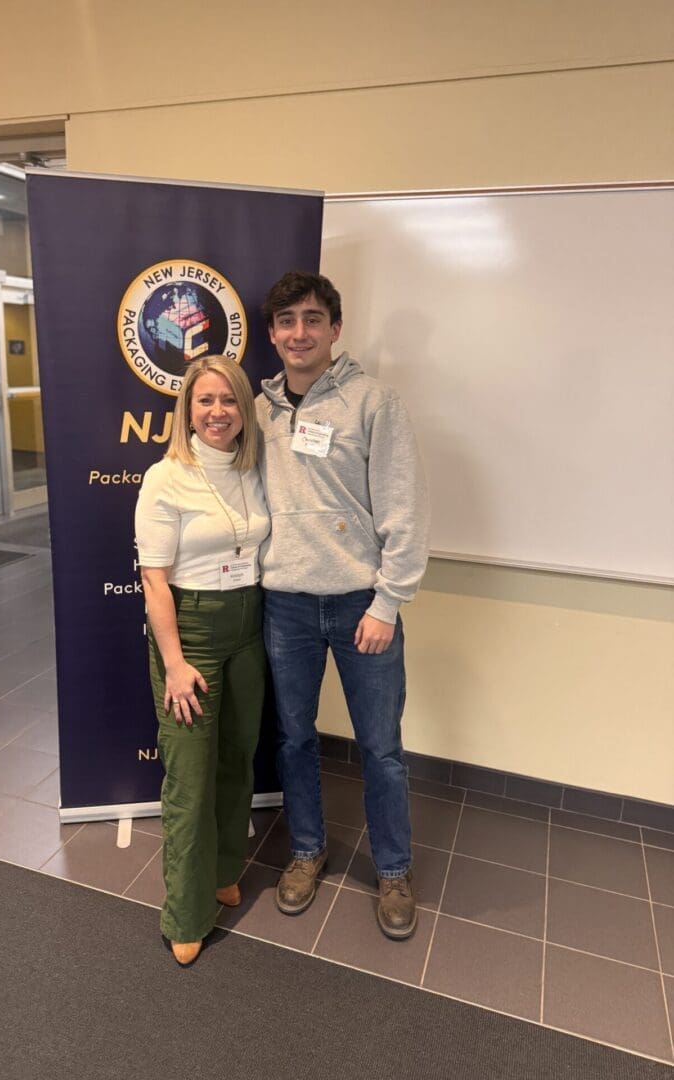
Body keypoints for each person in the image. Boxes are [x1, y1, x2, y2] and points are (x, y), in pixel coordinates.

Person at [256, 271, 429, 939]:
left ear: (335, 327)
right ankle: (307, 851)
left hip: (362, 606)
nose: (299, 333)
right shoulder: (263, 407)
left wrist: (387, 602)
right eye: (287, 322)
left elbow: (405, 512)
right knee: (295, 740)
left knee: (381, 749)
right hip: (287, 608)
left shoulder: (374, 402)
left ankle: (392, 868)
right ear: (272, 334)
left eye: (312, 319)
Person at [135, 355, 270, 965]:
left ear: (245, 409)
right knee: (190, 780)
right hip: (190, 634)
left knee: (237, 762)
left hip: (250, 626)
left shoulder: (252, 468)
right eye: (205, 401)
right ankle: (186, 913)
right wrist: (177, 662)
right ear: (186, 408)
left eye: (230, 401)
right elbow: (155, 582)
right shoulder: (167, 477)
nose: (218, 413)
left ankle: (222, 873)